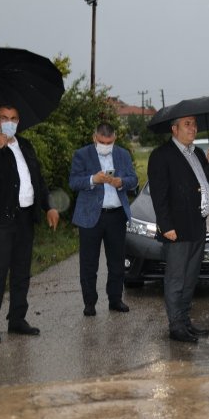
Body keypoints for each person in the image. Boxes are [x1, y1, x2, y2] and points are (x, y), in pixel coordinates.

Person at [0, 104, 60, 343]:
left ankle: (17, 319)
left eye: (14, 118)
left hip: (25, 217)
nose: (10, 122)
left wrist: (49, 205)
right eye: (4, 118)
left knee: (21, 272)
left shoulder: (25, 146)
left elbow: (37, 179)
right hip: (0, 219)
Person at [147, 115, 209, 343]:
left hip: (197, 225)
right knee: (176, 279)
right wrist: (165, 225)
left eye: (195, 124)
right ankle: (176, 326)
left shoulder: (197, 153)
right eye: (187, 124)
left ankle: (185, 321)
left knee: (190, 278)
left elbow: (205, 182)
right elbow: (158, 195)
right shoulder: (161, 155)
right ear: (174, 128)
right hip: (176, 229)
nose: (193, 128)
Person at [69, 123, 138, 316]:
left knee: (116, 262)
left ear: (115, 138)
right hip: (90, 216)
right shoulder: (82, 154)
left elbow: (134, 179)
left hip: (116, 215)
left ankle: (115, 299)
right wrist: (93, 180)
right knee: (89, 263)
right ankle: (89, 303)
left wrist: (121, 182)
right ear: (94, 138)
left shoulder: (123, 154)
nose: (105, 145)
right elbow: (73, 182)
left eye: (109, 142)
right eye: (102, 142)